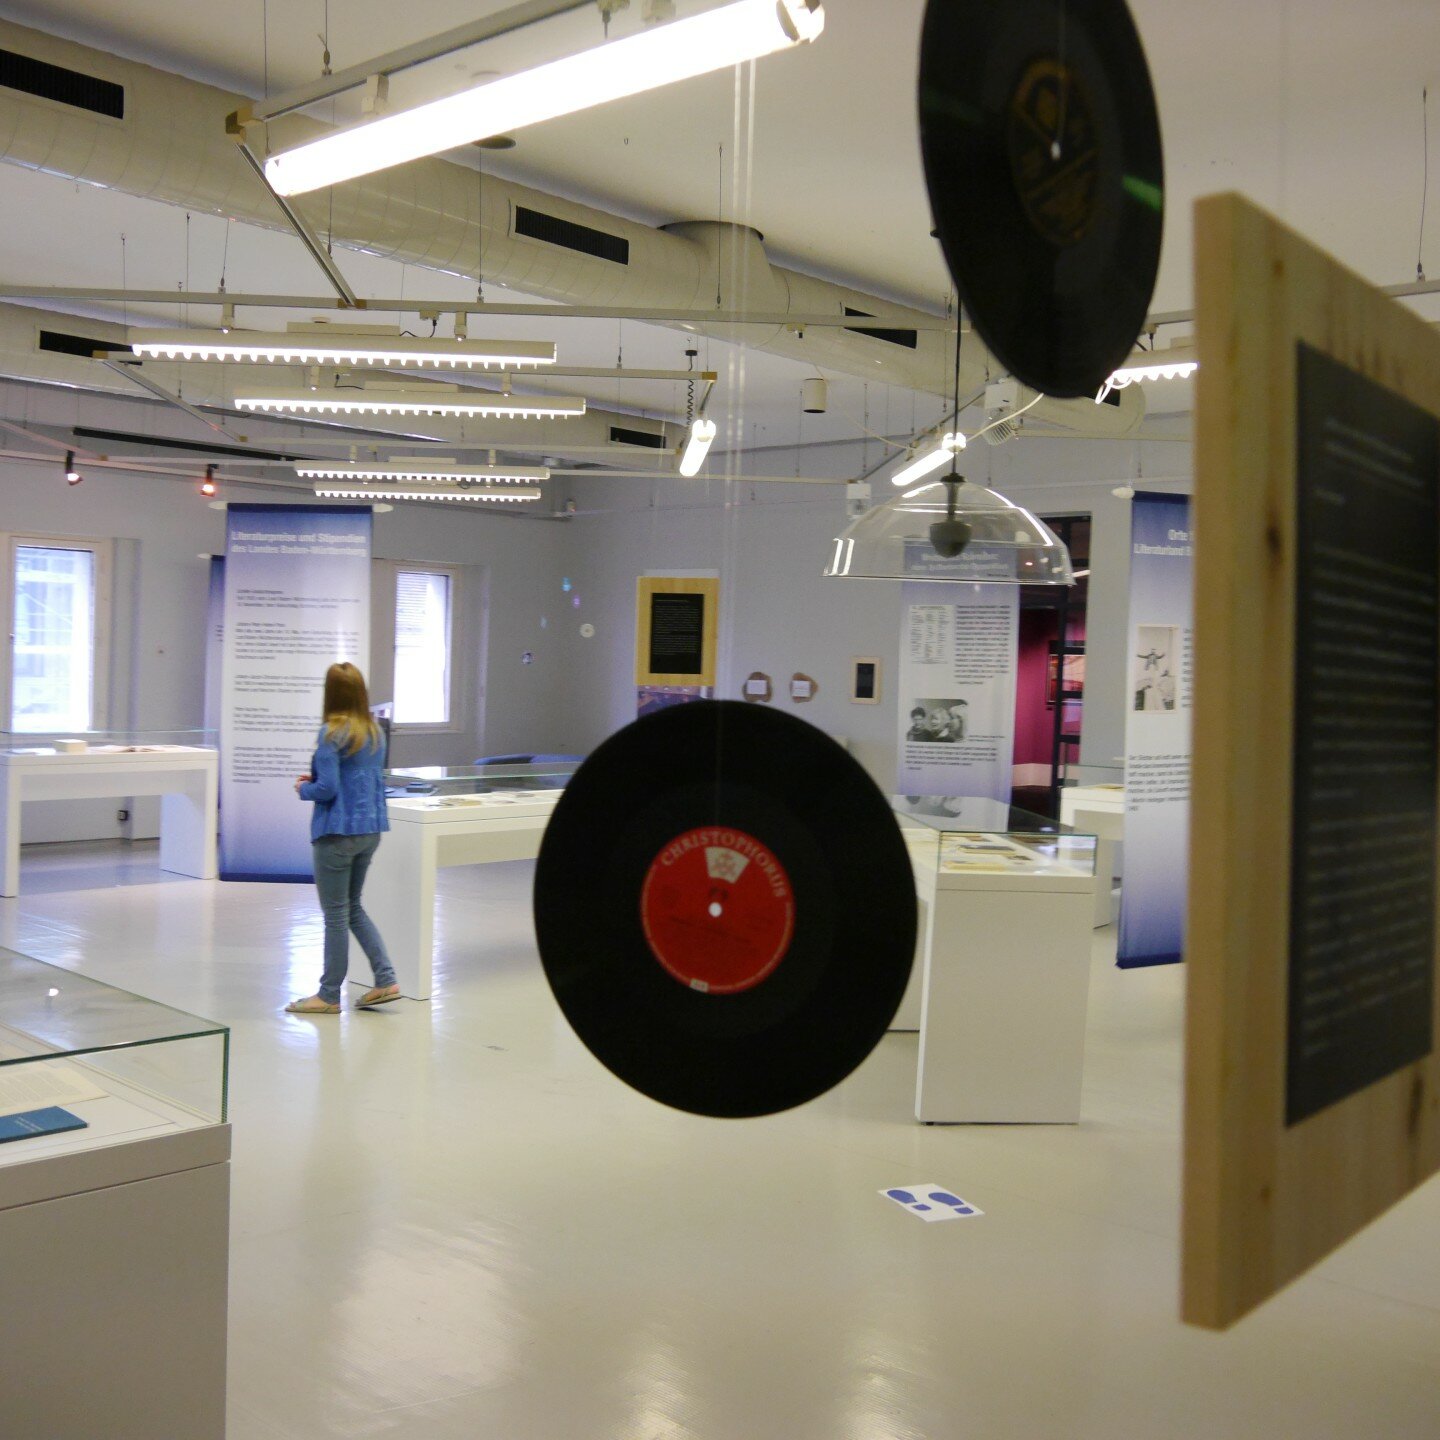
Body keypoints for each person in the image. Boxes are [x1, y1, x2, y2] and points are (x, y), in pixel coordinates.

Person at [285, 662, 401, 1014]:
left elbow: (328, 789)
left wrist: (304, 787)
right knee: (353, 908)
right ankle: (385, 979)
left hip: (336, 834)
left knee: (335, 914)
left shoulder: (331, 733)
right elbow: (354, 778)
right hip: (370, 830)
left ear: (330, 693)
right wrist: (319, 777)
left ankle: (329, 994)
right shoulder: (374, 732)